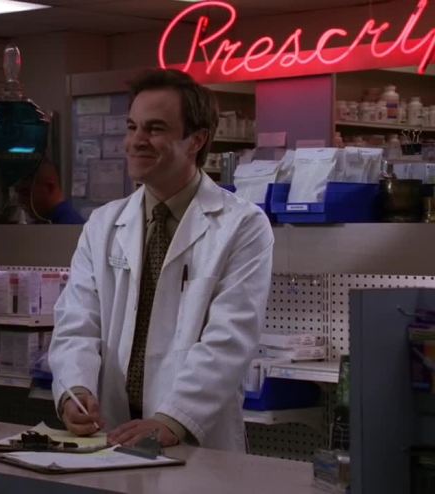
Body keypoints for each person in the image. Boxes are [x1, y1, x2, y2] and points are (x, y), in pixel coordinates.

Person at [48, 68, 273, 452]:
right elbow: (77, 323)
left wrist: (172, 419)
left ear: (196, 140)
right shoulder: (103, 224)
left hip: (193, 443)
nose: (136, 141)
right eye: (131, 127)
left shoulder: (242, 225)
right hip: (110, 435)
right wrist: (75, 390)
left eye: (154, 129)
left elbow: (229, 340)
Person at [16, 159, 84, 224]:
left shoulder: (67, 225)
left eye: (25, 193)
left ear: (49, 187)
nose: (20, 200)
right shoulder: (48, 220)